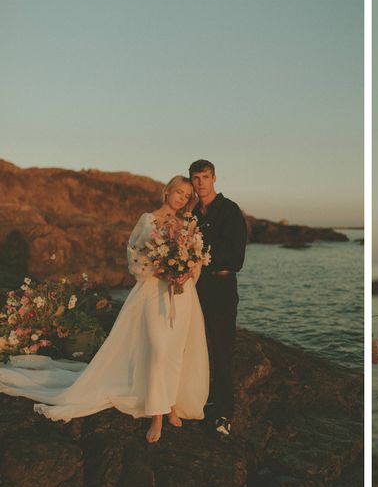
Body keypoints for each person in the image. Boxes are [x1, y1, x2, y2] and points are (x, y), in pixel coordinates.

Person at [0, 176, 209, 444]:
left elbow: (195, 259)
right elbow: (135, 261)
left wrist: (187, 271)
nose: (181, 197)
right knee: (157, 351)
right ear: (167, 191)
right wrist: (162, 268)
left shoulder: (186, 224)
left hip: (181, 297)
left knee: (174, 352)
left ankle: (170, 406)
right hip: (153, 293)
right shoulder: (148, 220)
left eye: (186, 194)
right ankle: (156, 414)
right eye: (178, 191)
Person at [189, 159, 248, 439]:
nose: (200, 183)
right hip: (195, 287)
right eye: (196, 178)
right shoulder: (192, 214)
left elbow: (236, 258)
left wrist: (200, 258)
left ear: (214, 178)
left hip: (222, 287)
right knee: (194, 345)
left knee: (222, 349)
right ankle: (198, 399)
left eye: (205, 177)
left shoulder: (230, 210)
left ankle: (224, 413)